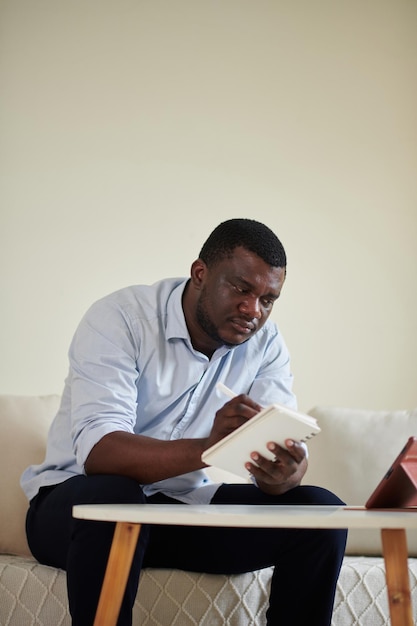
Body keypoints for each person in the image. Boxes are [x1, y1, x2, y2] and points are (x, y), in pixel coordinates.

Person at [21, 218, 346, 626]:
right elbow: (100, 453)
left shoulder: (265, 344)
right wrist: (210, 446)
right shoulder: (120, 318)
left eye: (268, 299)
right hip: (77, 512)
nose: (253, 310)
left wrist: (285, 471)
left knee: (320, 512)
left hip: (182, 513)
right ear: (200, 274)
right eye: (242, 289)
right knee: (115, 494)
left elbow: (275, 469)